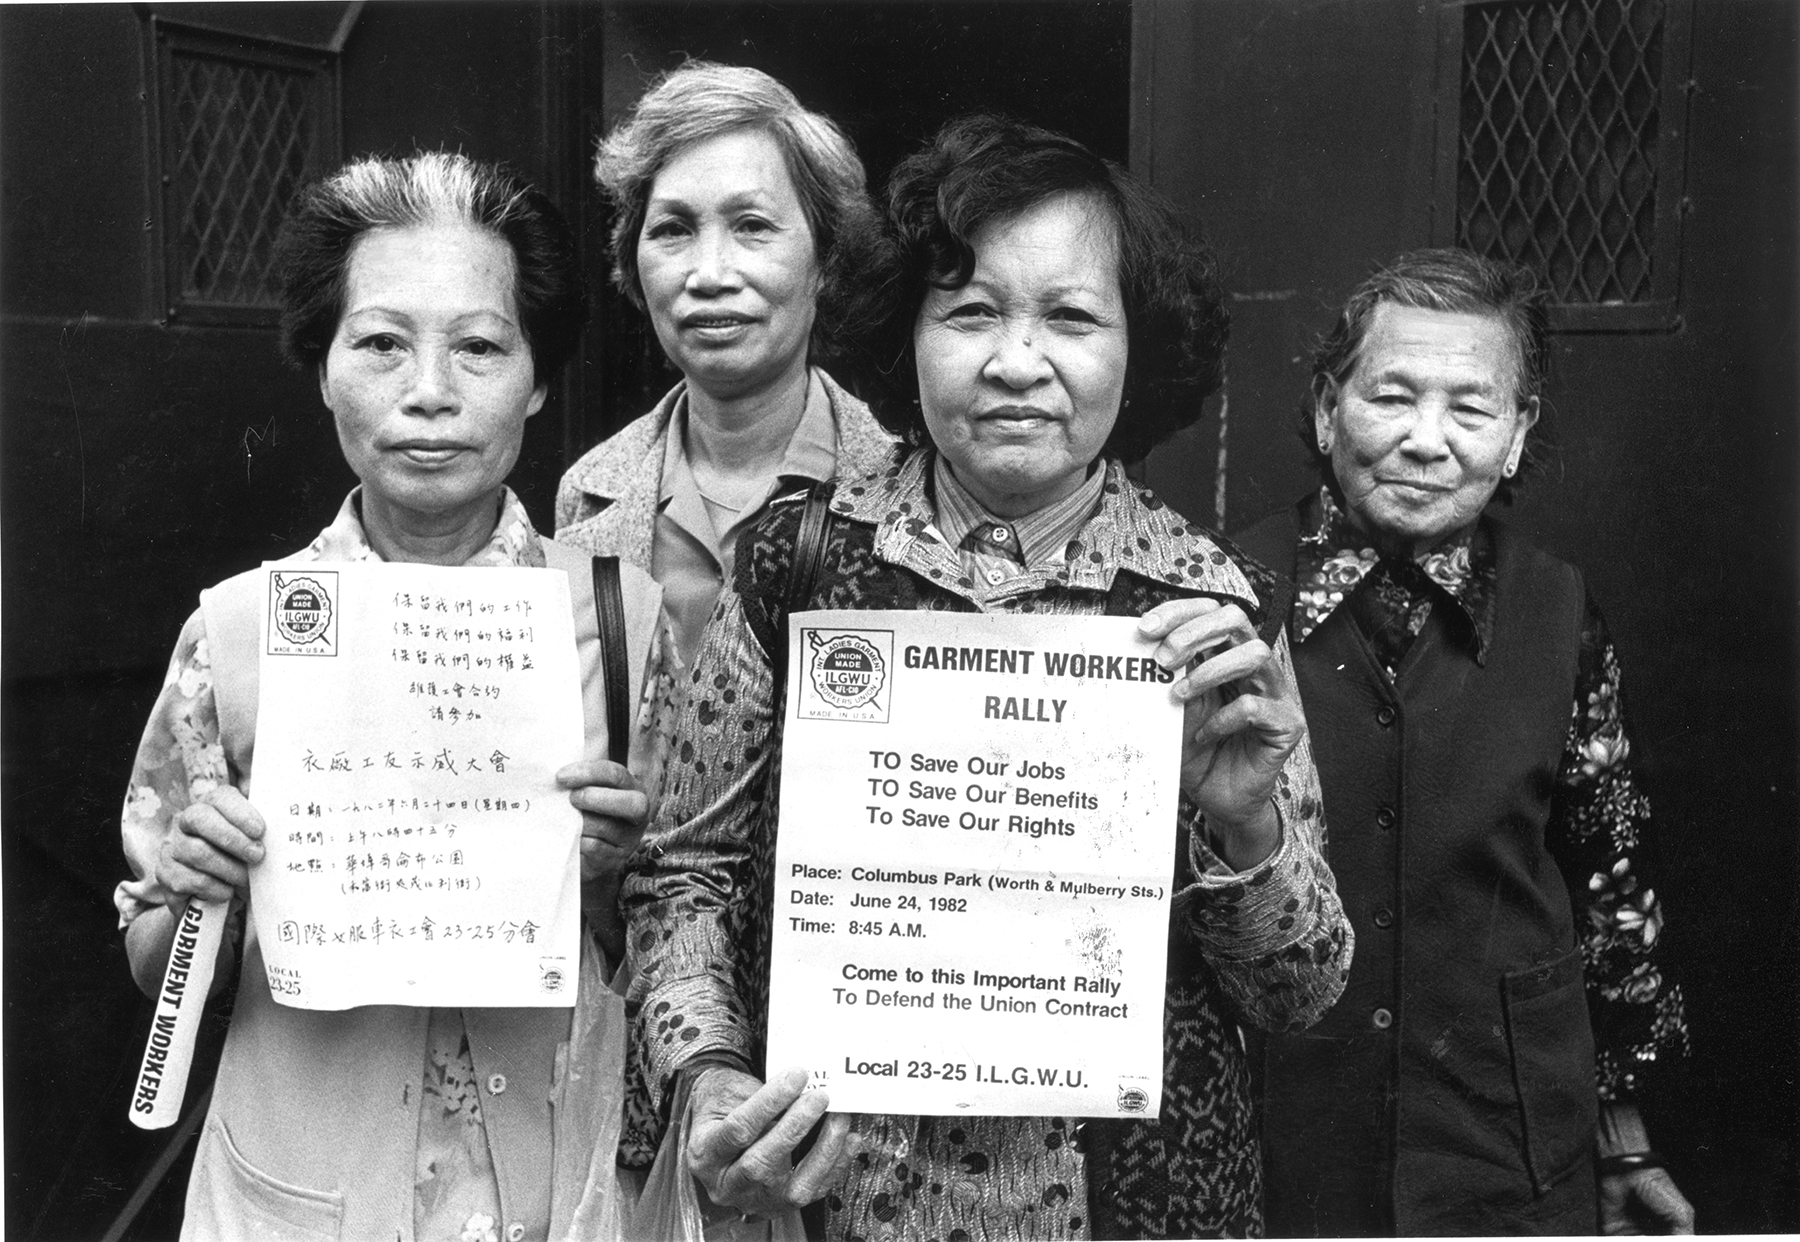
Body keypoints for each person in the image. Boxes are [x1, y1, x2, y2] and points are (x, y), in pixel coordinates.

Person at [623, 114, 1354, 1241]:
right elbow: (684, 876)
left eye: (1070, 317)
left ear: (1136, 347)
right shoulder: (794, 566)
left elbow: (1302, 995)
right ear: (904, 336)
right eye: (971, 312)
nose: (1018, 361)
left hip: (1143, 1209)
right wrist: (709, 1072)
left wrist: (1245, 830)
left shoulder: (1213, 609)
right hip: (838, 1205)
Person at [115, 152, 654, 1242]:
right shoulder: (238, 632)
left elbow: (687, 943)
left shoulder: (626, 623)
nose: (429, 392)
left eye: (480, 346)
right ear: (322, 369)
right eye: (380, 343)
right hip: (297, 1201)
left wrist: (606, 881)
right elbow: (154, 971)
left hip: (557, 1196)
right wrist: (190, 891)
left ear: (539, 377)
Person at [1237, 248, 1693, 1236]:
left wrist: (1623, 1133)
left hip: (1506, 1151)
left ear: (1518, 435)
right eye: (1391, 396)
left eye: (1471, 410)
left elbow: (1612, 885)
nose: (1425, 441)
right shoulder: (1222, 596)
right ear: (1326, 409)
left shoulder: (1559, 613)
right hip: (1278, 1148)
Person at [555, 61, 897, 849]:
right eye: (672, 229)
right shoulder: (589, 496)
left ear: (826, 260)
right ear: (634, 268)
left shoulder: (904, 492)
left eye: (753, 226)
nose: (708, 275)